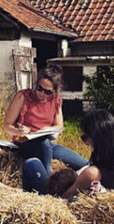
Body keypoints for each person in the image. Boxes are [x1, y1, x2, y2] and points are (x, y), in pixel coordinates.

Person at [3, 64, 89, 194]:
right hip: (24, 144)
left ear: (54, 91)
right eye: (39, 89)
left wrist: (46, 129)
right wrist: (18, 131)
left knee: (85, 164)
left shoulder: (56, 100)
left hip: (48, 145)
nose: (42, 94)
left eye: (48, 92)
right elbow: (6, 125)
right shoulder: (23, 97)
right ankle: (49, 184)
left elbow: (59, 126)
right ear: (36, 84)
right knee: (43, 144)